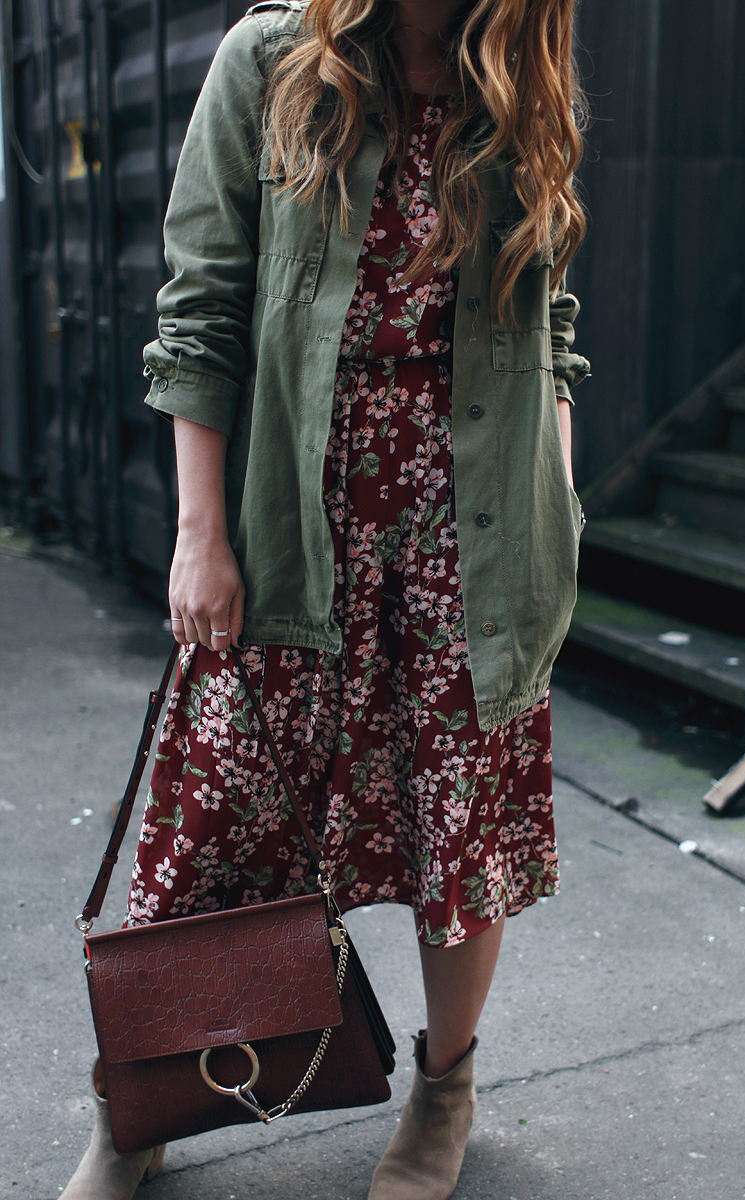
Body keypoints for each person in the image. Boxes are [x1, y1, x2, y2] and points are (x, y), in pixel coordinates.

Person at [62, 0, 589, 1195]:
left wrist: (558, 507)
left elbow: (549, 327)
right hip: (294, 529)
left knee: (456, 838)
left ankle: (441, 1092)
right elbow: (199, 310)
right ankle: (137, 1105)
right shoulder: (270, 63)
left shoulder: (519, 82)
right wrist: (201, 537)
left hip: (475, 541)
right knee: (204, 826)